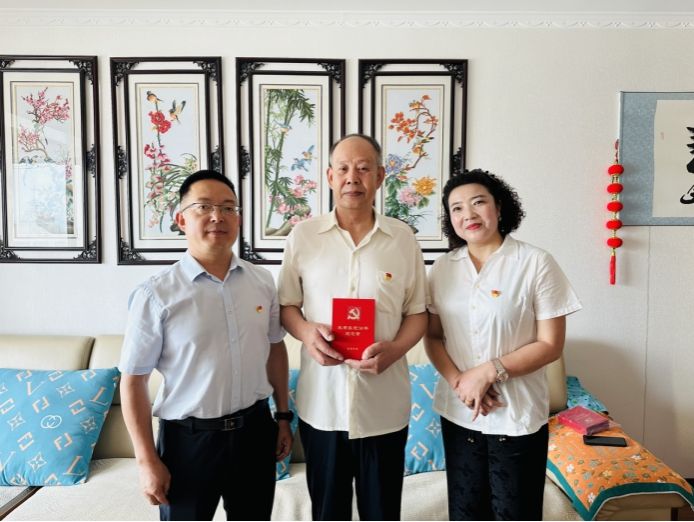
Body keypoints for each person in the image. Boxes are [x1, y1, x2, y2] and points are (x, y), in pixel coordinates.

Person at [119, 170, 292, 521]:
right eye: (204, 207)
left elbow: (275, 348)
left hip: (255, 433)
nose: (218, 216)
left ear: (238, 219)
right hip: (188, 441)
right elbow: (133, 381)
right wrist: (146, 460)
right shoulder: (156, 294)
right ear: (182, 219)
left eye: (228, 208)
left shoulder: (261, 282)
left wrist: (284, 417)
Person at [278, 134, 428, 521]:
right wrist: (307, 332)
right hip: (322, 405)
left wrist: (396, 350)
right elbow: (287, 306)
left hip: (384, 407)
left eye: (363, 168)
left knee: (382, 514)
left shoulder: (403, 239)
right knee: (328, 513)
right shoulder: (303, 237)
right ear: (330, 176)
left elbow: (418, 313)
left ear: (380, 176)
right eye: (343, 168)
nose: (352, 178)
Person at [424, 169, 582, 521]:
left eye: (478, 202)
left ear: (498, 207)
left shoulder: (535, 262)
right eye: (457, 208)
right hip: (460, 410)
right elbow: (433, 336)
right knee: (465, 514)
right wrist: (461, 382)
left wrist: (487, 372)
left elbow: (550, 344)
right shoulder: (442, 268)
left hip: (517, 412)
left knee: (516, 513)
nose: (468, 214)